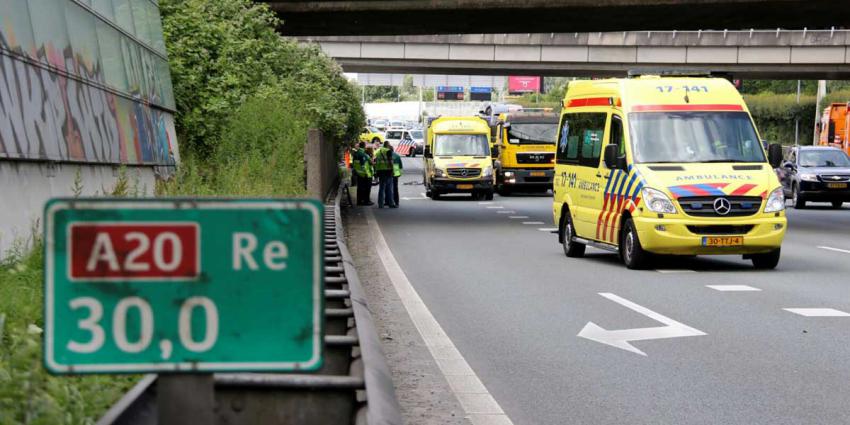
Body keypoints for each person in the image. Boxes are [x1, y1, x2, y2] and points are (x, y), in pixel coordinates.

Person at [374, 141, 397, 208]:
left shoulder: (378, 151)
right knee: (389, 188)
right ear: (387, 145)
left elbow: (375, 161)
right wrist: (393, 170)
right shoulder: (388, 151)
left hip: (380, 171)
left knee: (381, 188)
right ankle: (391, 203)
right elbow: (390, 161)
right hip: (387, 171)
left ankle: (380, 204)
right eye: (389, 144)